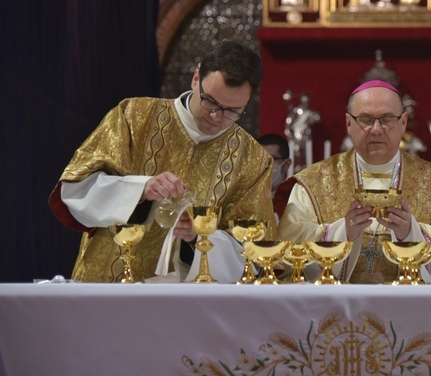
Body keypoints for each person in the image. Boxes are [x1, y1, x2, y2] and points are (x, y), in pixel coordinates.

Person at [49, 40, 277, 283]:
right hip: (107, 286)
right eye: (209, 101)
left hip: (185, 305)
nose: (215, 116)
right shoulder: (133, 116)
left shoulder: (253, 160)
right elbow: (75, 190)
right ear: (196, 78)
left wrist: (198, 237)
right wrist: (140, 188)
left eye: (232, 111)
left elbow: (255, 254)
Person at [276, 80, 431, 284]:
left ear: (403, 122)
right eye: (366, 120)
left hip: (412, 310)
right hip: (336, 311)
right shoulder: (313, 183)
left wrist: (412, 233)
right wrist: (342, 233)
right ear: (349, 123)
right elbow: (288, 250)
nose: (376, 129)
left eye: (387, 119)